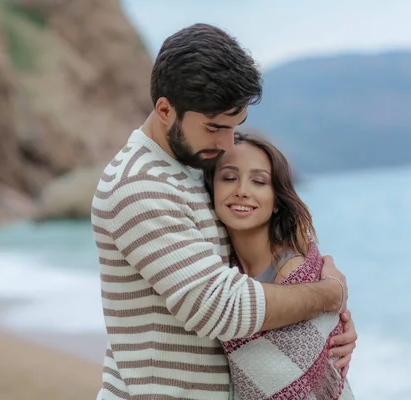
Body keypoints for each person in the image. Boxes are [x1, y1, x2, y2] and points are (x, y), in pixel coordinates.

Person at [91, 23, 357, 400]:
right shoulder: (139, 185)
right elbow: (222, 308)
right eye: (215, 127)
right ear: (165, 109)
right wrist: (330, 296)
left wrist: (329, 323)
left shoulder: (194, 164)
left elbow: (268, 246)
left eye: (235, 126)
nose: (227, 142)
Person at [204, 132, 355, 399]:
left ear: (276, 201)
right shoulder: (217, 268)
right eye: (228, 177)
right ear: (211, 189)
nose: (242, 190)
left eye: (259, 181)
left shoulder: (299, 272)